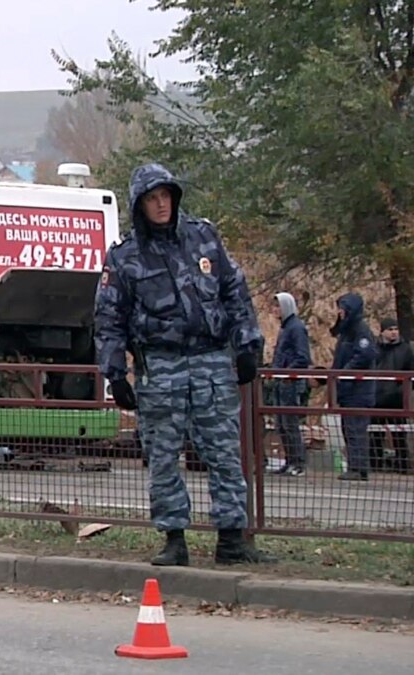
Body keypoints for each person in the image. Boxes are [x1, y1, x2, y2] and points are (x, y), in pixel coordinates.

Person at [94, 162, 275, 567]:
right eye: (152, 199)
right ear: (139, 205)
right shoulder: (125, 257)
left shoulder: (204, 238)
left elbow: (234, 293)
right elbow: (108, 319)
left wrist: (248, 345)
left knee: (225, 453)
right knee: (162, 456)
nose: (161, 205)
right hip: (160, 367)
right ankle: (174, 539)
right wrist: (114, 372)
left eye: (166, 197)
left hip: (211, 362)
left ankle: (232, 539)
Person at [331, 294, 379, 481]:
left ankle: (358, 468)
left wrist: (345, 372)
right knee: (349, 429)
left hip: (359, 390)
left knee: (355, 429)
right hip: (349, 390)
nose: (339, 312)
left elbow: (365, 355)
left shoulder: (361, 331)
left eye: (342, 308)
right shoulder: (346, 332)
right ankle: (356, 466)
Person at [269, 292, 312, 476]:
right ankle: (289, 460)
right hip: (281, 382)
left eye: (278, 306)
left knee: (290, 423)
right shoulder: (285, 328)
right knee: (281, 424)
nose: (275, 310)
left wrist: (287, 372)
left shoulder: (296, 328)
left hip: (291, 383)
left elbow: (303, 357)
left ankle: (298, 462)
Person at [369, 318, 413, 474]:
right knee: (375, 434)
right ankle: (375, 465)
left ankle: (402, 465)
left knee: (399, 433)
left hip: (396, 398)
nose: (394, 332)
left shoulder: (405, 349)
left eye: (396, 329)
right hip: (377, 396)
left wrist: (402, 390)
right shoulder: (374, 348)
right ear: (382, 331)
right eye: (390, 329)